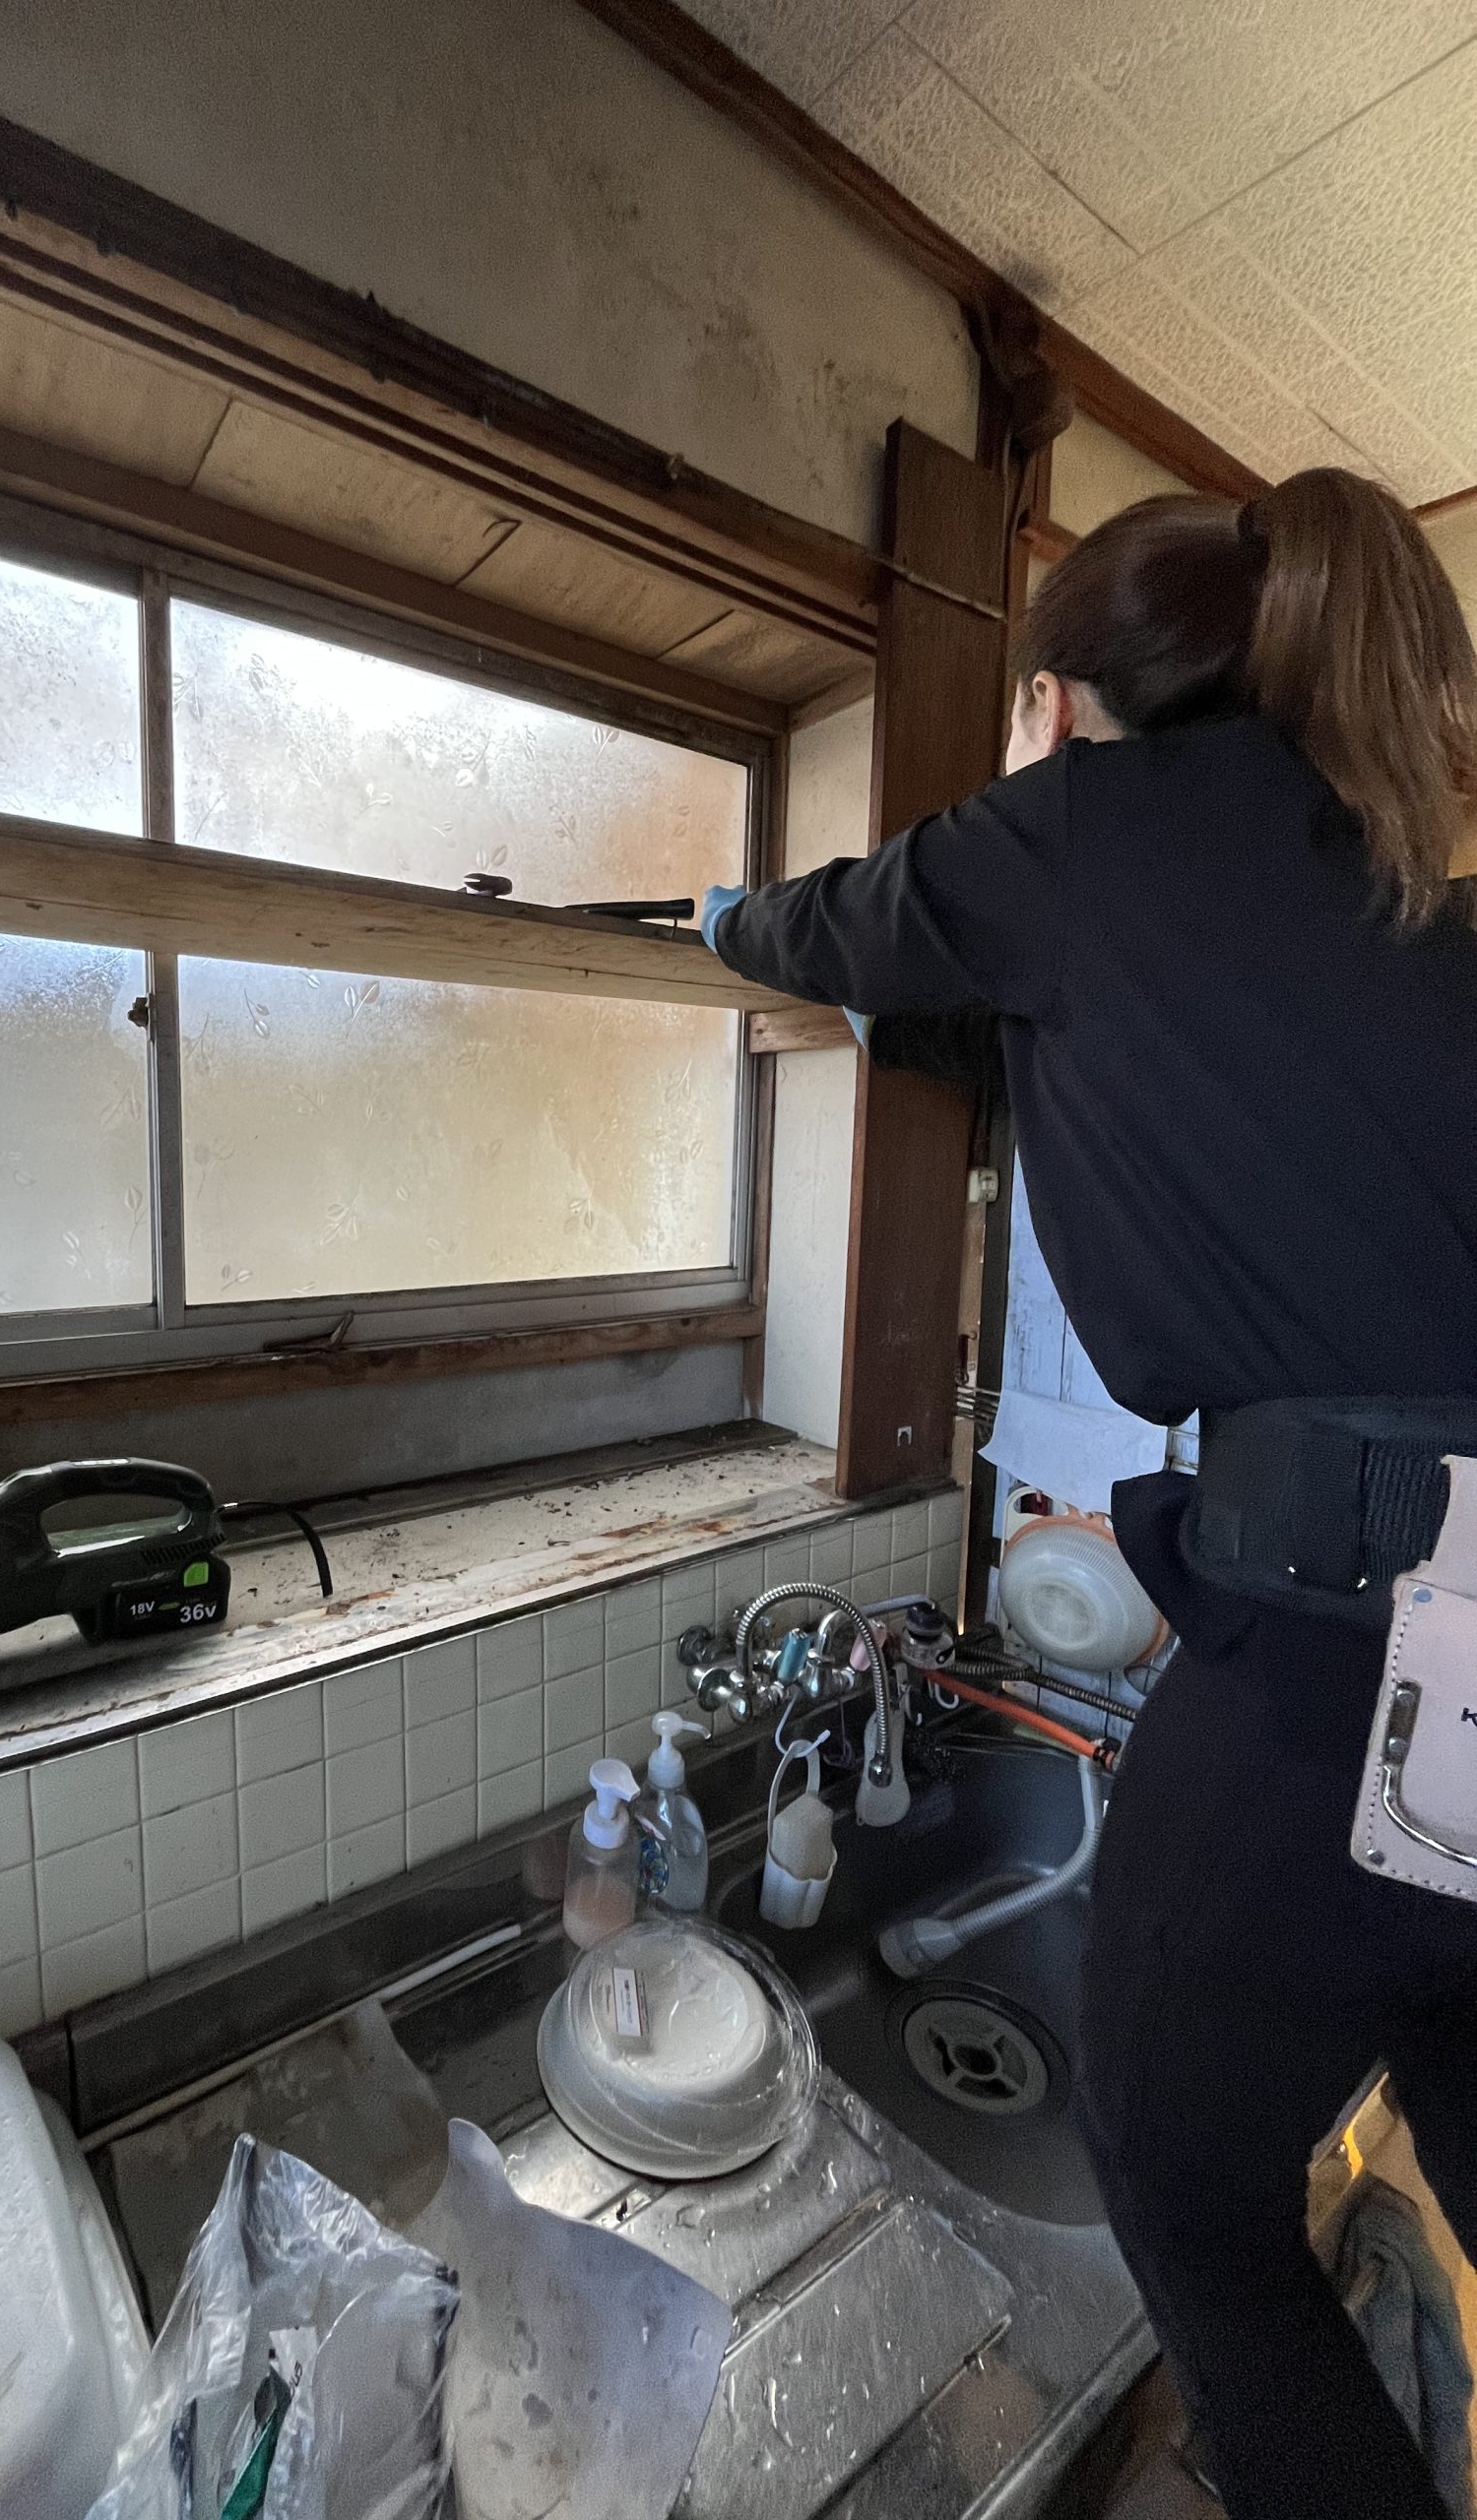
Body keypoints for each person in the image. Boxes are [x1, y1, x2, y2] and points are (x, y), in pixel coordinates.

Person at [702, 470, 1477, 2520]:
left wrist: (712, 921)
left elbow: (840, 919)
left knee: (1184, 2185)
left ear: (1057, 705)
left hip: (1342, 1632)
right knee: (1460, 2061)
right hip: (1452, 1638)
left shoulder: (1093, 827)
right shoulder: (1386, 868)